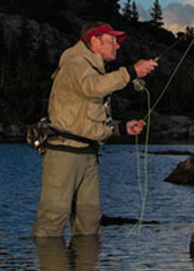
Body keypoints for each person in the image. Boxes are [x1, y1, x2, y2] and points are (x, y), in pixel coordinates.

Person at [31, 22, 158, 238]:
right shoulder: (75, 63)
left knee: (90, 219)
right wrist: (131, 71)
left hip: (88, 154)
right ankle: (52, 268)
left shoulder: (92, 69)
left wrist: (121, 128)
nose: (117, 46)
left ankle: (86, 270)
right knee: (54, 217)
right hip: (64, 153)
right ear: (95, 41)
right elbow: (94, 88)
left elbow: (89, 118)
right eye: (112, 41)